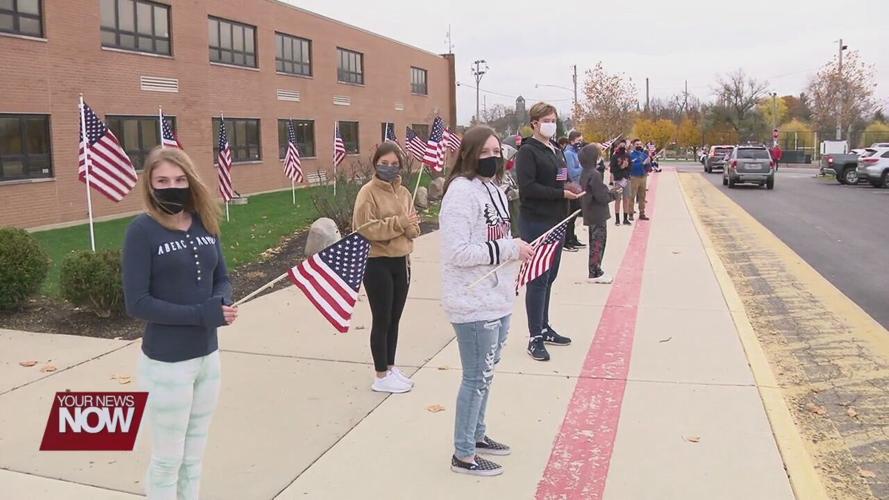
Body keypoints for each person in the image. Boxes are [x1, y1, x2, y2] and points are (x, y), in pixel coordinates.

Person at [123, 147, 237, 500]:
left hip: (208, 357)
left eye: (179, 179)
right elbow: (137, 303)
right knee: (167, 459)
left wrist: (222, 301)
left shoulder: (205, 221)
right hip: (166, 363)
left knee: (194, 457)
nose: (172, 186)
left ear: (190, 181)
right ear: (149, 184)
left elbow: (223, 277)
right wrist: (202, 315)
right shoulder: (141, 231)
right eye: (162, 181)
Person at [440, 125, 534, 477]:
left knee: (487, 374)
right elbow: (457, 251)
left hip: (497, 297)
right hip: (472, 301)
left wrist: (515, 249)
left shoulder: (493, 189)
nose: (492, 157)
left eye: (497, 151)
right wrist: (509, 248)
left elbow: (499, 236)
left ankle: (476, 436)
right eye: (484, 152)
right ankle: (463, 455)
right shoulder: (461, 193)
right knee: (475, 376)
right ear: (468, 155)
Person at [515, 102, 583, 362]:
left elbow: (560, 178)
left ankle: (544, 326)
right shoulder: (527, 152)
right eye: (546, 120)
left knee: (550, 276)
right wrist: (559, 193)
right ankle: (535, 337)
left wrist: (572, 189)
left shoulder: (555, 149)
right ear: (534, 123)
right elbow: (528, 188)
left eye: (554, 119)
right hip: (537, 221)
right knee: (538, 278)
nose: (551, 124)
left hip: (558, 219)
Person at [352, 142, 421, 393]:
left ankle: (391, 367)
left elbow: (414, 227)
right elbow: (367, 229)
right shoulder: (367, 193)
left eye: (394, 164)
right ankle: (380, 376)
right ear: (375, 164)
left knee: (395, 319)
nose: (389, 168)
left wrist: (408, 227)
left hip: (402, 262)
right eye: (384, 164)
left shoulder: (403, 193)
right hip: (377, 263)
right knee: (381, 319)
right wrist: (401, 223)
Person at [579, 144, 622, 284]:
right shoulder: (594, 174)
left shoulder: (585, 172)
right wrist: (614, 193)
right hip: (597, 214)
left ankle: (595, 269)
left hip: (590, 213)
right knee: (598, 243)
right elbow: (602, 196)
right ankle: (595, 271)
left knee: (595, 241)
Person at [562, 130, 586, 250]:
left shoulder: (578, 153)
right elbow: (572, 172)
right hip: (572, 187)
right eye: (578, 141)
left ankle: (572, 236)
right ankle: (567, 240)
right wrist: (584, 166)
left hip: (579, 187)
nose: (580, 143)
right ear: (572, 141)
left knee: (575, 214)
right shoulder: (568, 153)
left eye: (581, 141)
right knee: (570, 216)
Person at [610, 139, 632, 225]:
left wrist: (626, 168)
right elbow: (612, 169)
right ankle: (617, 219)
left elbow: (630, 167)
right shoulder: (614, 156)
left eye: (624, 145)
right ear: (618, 146)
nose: (622, 147)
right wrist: (621, 167)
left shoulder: (628, 155)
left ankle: (625, 219)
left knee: (626, 199)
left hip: (626, 180)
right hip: (618, 180)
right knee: (618, 199)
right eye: (621, 145)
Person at [628, 138, 651, 221]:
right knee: (632, 196)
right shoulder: (631, 155)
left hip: (643, 177)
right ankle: (630, 213)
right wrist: (642, 163)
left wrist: (648, 163)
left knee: (642, 196)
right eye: (637, 144)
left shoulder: (644, 155)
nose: (638, 146)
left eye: (640, 144)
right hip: (634, 177)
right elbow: (631, 166)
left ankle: (642, 213)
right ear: (633, 146)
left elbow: (648, 168)